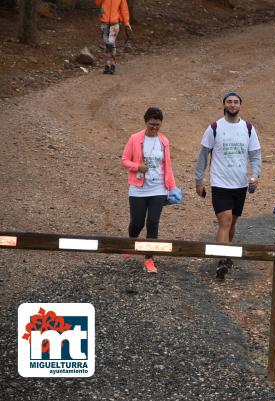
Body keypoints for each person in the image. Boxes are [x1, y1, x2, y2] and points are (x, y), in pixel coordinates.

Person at [195, 92, 261, 279]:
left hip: (240, 184)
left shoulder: (248, 128)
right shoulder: (215, 128)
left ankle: (227, 253)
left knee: (232, 222)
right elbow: (203, 155)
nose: (232, 105)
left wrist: (255, 176)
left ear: (240, 105)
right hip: (220, 182)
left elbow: (255, 155)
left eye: (236, 102)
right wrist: (199, 181)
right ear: (224, 104)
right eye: (229, 102)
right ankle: (221, 260)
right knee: (224, 221)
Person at [121, 107, 176, 273]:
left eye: (158, 125)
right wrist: (137, 166)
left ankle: (149, 259)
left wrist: (172, 187)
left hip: (158, 188)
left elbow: (168, 166)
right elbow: (124, 160)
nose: (154, 128)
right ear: (146, 122)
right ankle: (131, 242)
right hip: (138, 189)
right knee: (137, 222)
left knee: (152, 223)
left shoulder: (164, 141)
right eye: (152, 124)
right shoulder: (135, 138)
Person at [96, 0, 132, 75]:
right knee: (107, 44)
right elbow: (98, 3)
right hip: (104, 23)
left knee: (111, 43)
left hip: (115, 24)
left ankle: (112, 65)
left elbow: (124, 9)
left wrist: (126, 23)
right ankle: (107, 64)